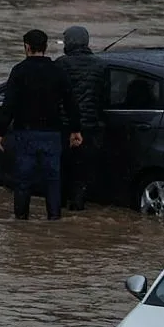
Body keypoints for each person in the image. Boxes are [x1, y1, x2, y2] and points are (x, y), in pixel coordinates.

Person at [0, 29, 83, 221]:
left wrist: (0, 131)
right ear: (46, 47)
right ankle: (54, 219)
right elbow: (71, 102)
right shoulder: (58, 70)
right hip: (52, 134)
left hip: (25, 134)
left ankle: (21, 221)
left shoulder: (19, 71)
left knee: (23, 181)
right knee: (53, 181)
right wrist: (75, 129)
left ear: (27, 47)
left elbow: (9, 104)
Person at [54, 25, 107, 211]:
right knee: (82, 171)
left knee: (62, 168)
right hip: (91, 127)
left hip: (65, 125)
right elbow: (104, 96)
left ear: (70, 42)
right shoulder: (100, 65)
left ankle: (58, 206)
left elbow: (55, 94)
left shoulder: (61, 64)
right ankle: (78, 205)